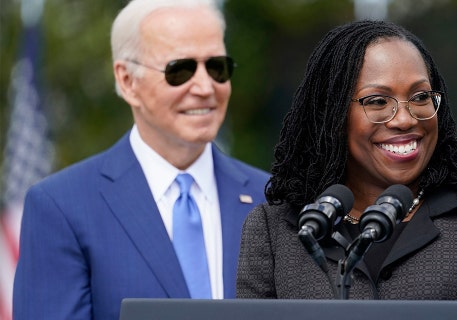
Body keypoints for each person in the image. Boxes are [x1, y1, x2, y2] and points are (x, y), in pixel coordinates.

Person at [236, 20, 457, 319]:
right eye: (378, 101)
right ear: (333, 115)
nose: (405, 119)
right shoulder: (276, 230)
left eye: (420, 97)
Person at [13, 0, 269, 319]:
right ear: (127, 81)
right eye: (180, 70)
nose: (205, 87)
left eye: (217, 68)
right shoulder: (62, 208)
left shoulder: (272, 198)